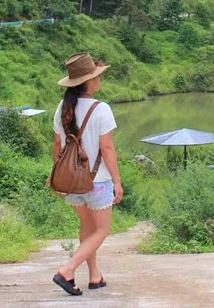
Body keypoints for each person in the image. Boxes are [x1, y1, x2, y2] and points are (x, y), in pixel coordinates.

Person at [51, 53, 123, 296]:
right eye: (96, 76)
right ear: (89, 82)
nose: (99, 80)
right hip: (98, 181)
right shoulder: (101, 109)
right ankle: (66, 271)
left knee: (87, 227)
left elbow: (57, 146)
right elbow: (107, 148)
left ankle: (95, 276)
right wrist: (117, 181)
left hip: (71, 183)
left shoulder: (63, 108)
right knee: (101, 231)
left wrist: (58, 176)